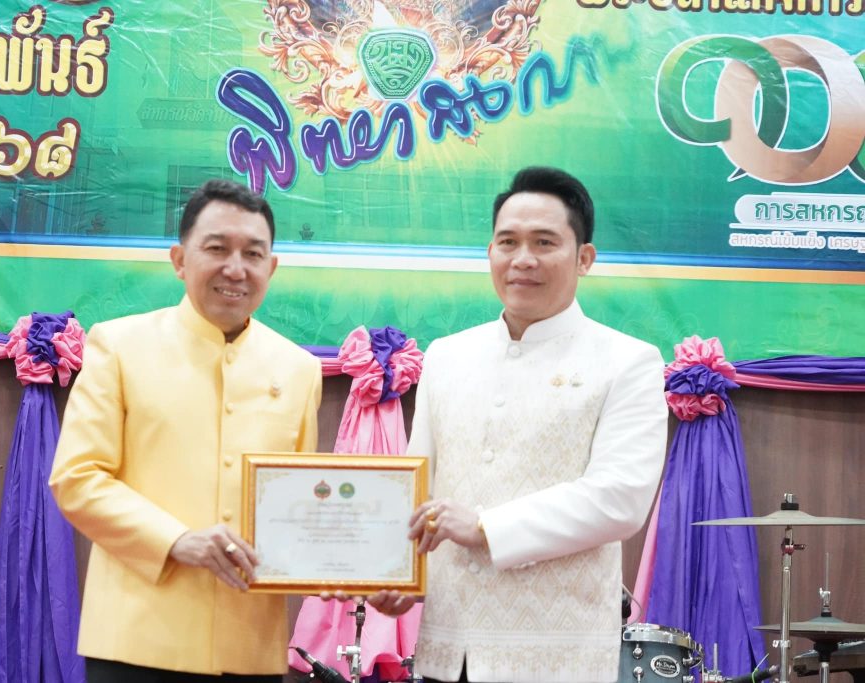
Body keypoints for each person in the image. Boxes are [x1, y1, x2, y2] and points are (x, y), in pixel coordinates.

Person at [369, 166, 668, 683]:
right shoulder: (446, 355)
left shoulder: (628, 361)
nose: (522, 259)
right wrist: (399, 574)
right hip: (449, 649)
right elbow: (417, 487)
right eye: (507, 242)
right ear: (490, 252)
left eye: (544, 242)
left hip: (559, 656)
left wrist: (486, 527)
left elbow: (619, 499)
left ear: (584, 258)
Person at [49, 179, 323, 683]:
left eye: (253, 254)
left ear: (271, 267)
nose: (235, 269)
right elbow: (78, 478)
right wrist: (176, 540)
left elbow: (297, 506)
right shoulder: (118, 345)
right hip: (137, 642)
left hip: (250, 647)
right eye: (217, 249)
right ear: (179, 259)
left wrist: (339, 564)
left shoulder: (300, 369)